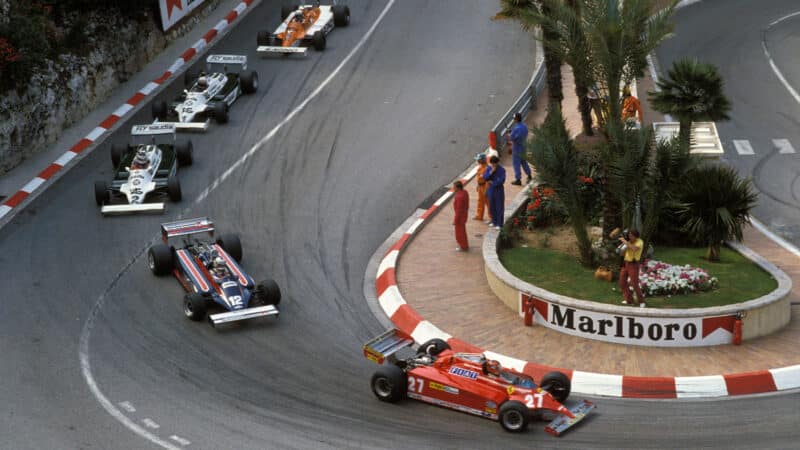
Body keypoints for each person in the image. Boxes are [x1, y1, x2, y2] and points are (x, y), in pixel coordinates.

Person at [618, 229, 646, 307]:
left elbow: (634, 248)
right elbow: (621, 253)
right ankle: (629, 300)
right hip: (625, 263)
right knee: (622, 282)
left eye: (631, 236)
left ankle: (641, 301)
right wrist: (623, 248)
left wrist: (625, 242)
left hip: (633, 265)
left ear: (636, 236)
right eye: (629, 235)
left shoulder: (639, 242)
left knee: (634, 284)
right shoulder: (629, 242)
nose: (629, 237)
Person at [507, 112, 532, 186]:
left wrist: (509, 133)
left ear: (516, 119)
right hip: (523, 147)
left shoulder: (516, 128)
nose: (513, 120)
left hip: (517, 148)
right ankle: (529, 175)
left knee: (516, 164)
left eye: (514, 118)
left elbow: (511, 138)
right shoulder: (524, 126)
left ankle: (518, 179)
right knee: (524, 162)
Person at [484, 155, 506, 229]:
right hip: (491, 190)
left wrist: (492, 182)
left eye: (494, 163)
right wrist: (491, 172)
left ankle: (499, 224)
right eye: (492, 163)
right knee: (492, 206)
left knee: (499, 207)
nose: (493, 165)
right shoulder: (489, 168)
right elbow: (485, 177)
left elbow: (501, 181)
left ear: (497, 163)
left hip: (499, 190)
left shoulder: (502, 170)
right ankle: (494, 221)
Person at [452, 181, 469, 251]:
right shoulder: (465, 192)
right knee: (462, 231)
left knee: (460, 233)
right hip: (464, 215)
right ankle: (464, 244)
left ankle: (463, 246)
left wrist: (455, 220)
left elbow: (458, 210)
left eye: (454, 187)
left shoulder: (459, 197)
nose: (453, 188)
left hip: (460, 218)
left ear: (458, 188)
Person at [473, 153, 489, 222]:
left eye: (479, 160)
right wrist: (478, 185)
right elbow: (479, 178)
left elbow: (488, 181)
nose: (478, 161)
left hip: (485, 186)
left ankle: (491, 217)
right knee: (480, 201)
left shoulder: (487, 169)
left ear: (483, 160)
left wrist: (486, 189)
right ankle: (479, 215)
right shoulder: (480, 167)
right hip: (480, 186)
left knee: (488, 203)